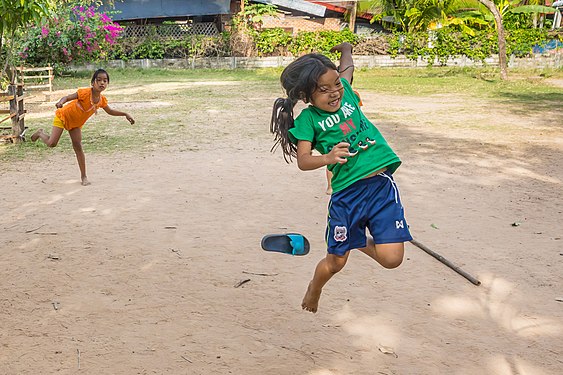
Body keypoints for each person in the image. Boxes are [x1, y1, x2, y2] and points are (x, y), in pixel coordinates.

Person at [270, 43, 412, 313]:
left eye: (336, 84)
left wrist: (346, 49)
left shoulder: (345, 92)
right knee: (336, 262)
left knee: (392, 260)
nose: (335, 92)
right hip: (347, 196)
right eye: (324, 90)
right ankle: (315, 288)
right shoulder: (308, 120)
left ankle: (354, 239)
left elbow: (347, 69)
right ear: (306, 95)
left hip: (381, 187)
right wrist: (328, 157)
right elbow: (303, 160)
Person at [31, 69, 135, 186]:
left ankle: (84, 177)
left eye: (105, 81)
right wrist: (61, 102)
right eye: (99, 80)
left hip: (75, 124)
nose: (102, 83)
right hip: (63, 116)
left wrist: (125, 114)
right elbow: (67, 97)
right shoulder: (84, 93)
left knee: (78, 147)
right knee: (52, 143)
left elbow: (110, 111)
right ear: (92, 83)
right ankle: (40, 133)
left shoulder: (101, 100)